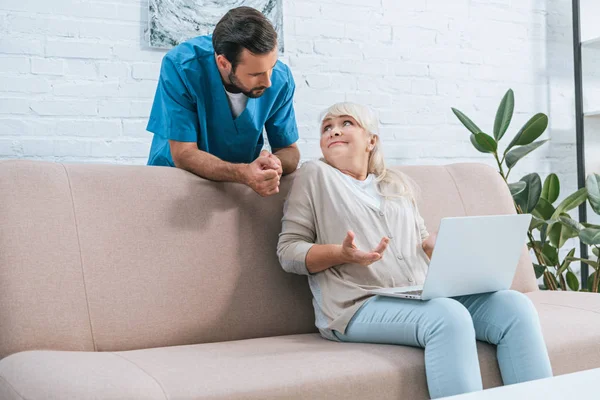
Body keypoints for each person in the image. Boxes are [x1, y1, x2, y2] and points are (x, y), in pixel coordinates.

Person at [277, 102, 553, 399]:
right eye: (326, 128)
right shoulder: (315, 175)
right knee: (447, 316)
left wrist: (439, 247)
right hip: (355, 305)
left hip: (418, 293)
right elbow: (288, 251)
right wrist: (340, 253)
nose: (334, 131)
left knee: (515, 307)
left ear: (371, 141)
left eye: (346, 123)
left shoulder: (394, 184)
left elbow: (421, 240)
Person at [147, 7, 300, 197]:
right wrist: (243, 173)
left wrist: (275, 163)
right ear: (223, 63)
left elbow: (289, 150)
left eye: (272, 67)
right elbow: (184, 154)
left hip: (238, 190)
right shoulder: (181, 67)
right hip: (176, 182)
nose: (268, 81)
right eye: (256, 74)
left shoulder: (280, 79)